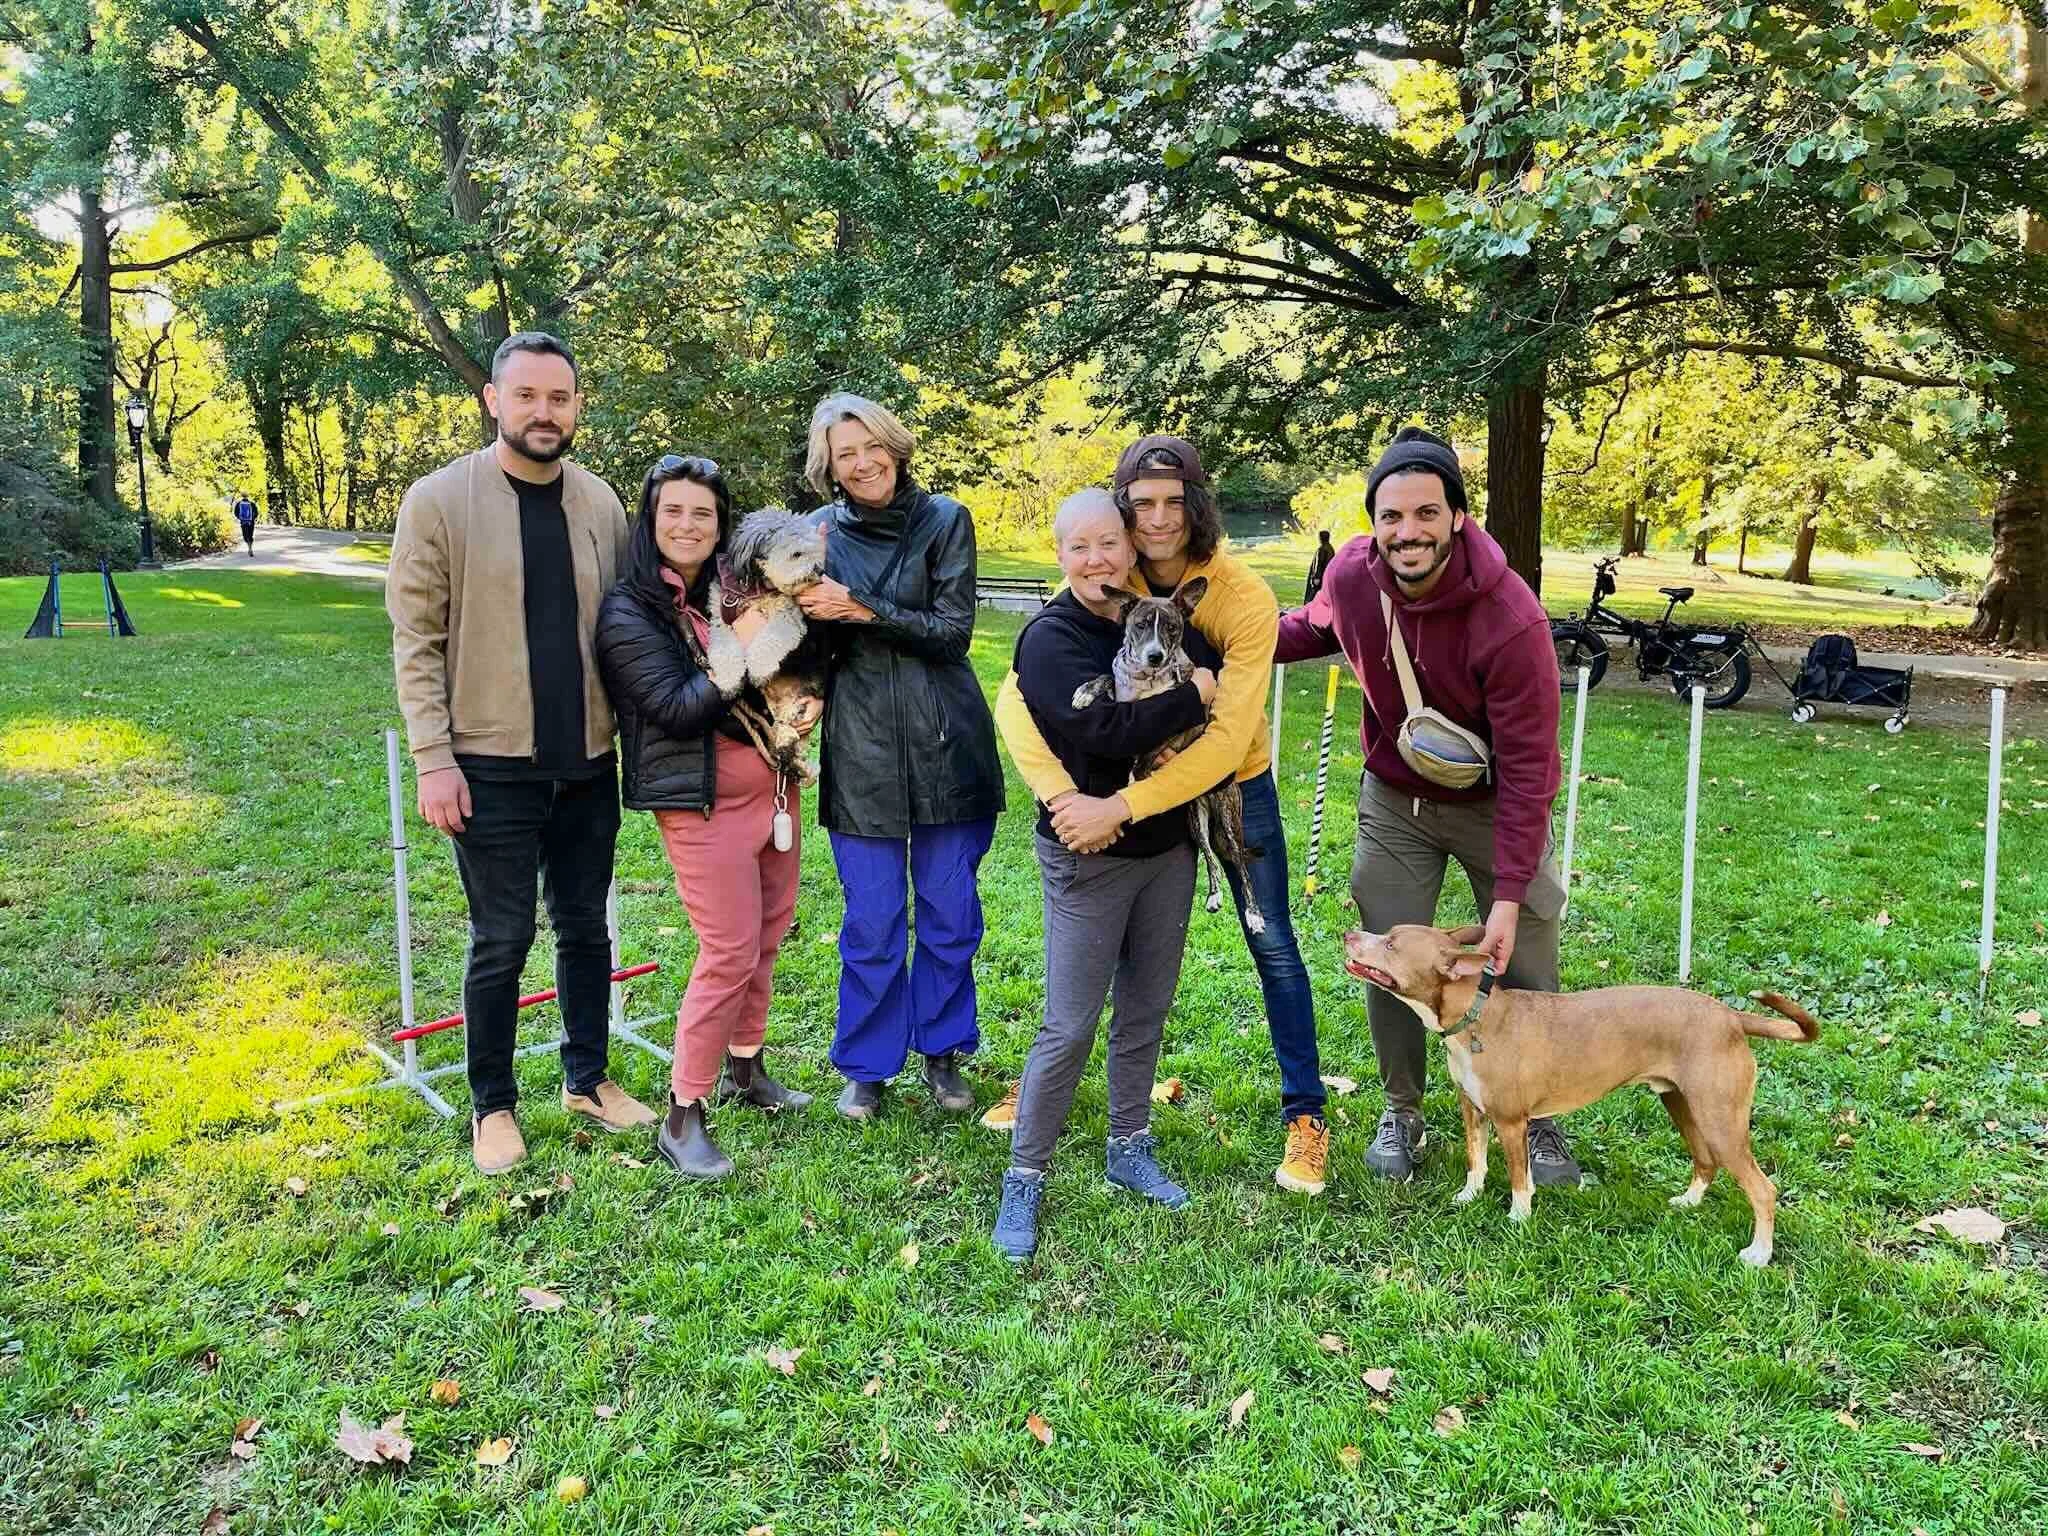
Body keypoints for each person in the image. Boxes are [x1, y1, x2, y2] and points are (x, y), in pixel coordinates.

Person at [991, 435, 1333, 1196]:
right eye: (1140, 503)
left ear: (1198, 505)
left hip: (1231, 783)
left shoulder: (1240, 597)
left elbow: (1226, 739)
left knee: (1270, 940)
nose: (1157, 519)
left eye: (1173, 502)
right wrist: (1062, 798)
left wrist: (1121, 803)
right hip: (1124, 804)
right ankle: (1045, 1087)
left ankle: (1306, 1115)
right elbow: (1015, 696)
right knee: (1080, 994)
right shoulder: (1109, 569)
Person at [1274, 426, 1578, 1185]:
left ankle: (1535, 1117)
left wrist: (1509, 896)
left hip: (1497, 802)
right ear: (1374, 522)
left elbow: (1533, 769)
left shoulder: (1511, 619)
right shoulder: (1353, 578)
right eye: (1391, 516)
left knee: (1529, 951)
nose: (1408, 531)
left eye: (1426, 513)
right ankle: (1403, 1108)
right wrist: (1220, 642)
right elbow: (1311, 629)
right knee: (1386, 955)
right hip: (1396, 801)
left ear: (1458, 518)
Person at [386, 331, 657, 1175]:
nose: (545, 411)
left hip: (584, 763)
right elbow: (415, 641)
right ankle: (492, 1103)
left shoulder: (601, 504)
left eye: (560, 397)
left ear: (577, 407)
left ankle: (586, 1077)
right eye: (528, 395)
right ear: (493, 401)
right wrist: (434, 758)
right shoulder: (438, 501)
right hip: (487, 764)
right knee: (501, 939)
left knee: (585, 929)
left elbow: (628, 625)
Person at [990, 490, 1221, 1260]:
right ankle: (1025, 1174)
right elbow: (1103, 729)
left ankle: (1129, 1147)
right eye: (1079, 547)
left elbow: (1211, 699)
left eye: (1109, 544)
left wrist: (1199, 693)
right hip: (1088, 857)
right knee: (1070, 1024)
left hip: (1165, 851)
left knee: (1147, 1011)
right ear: (1061, 557)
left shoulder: (1156, 618)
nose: (1096, 559)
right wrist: (1194, 693)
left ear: (1130, 554)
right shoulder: (1051, 639)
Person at [595, 454, 817, 1181]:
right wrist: (751, 646)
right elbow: (677, 708)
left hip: (778, 788)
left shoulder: (739, 589)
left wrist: (805, 691)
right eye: (674, 512)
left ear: (722, 526)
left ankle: (745, 1069)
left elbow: (801, 659)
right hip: (701, 800)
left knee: (768, 937)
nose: (688, 526)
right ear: (651, 520)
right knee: (727, 950)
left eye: (703, 513)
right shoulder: (631, 610)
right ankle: (683, 1113)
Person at [793, 393, 1005, 1121]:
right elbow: (809, 647)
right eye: (844, 454)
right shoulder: (816, 535)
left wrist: (862, 609)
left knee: (949, 911)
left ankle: (942, 1051)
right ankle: (868, 1064)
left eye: (870, 446)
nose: (862, 462)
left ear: (895, 445)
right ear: (829, 468)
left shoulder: (945, 521)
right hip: (861, 747)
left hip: (947, 741)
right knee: (873, 919)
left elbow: (952, 632)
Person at [1304, 528, 1335, 604]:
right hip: (1326, 577)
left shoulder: (1321, 549)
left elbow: (1318, 564)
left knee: (1313, 596)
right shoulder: (1331, 548)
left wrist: (1316, 577)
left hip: (1320, 578)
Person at [233, 490, 258, 556]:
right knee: (250, 535)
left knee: (245, 536)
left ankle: (249, 548)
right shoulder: (252, 503)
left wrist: (240, 518)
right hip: (251, 522)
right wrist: (253, 518)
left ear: (242, 496)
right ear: (248, 496)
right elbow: (256, 513)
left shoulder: (239, 504)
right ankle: (250, 548)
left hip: (243, 522)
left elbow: (235, 513)